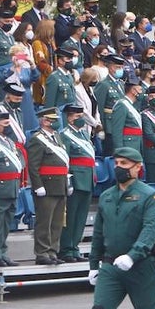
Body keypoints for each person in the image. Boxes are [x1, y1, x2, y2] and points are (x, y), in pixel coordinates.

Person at [75, 148, 155, 309]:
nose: (119, 167)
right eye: (116, 163)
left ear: (138, 167)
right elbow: (99, 233)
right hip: (111, 266)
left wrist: (133, 255)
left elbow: (150, 231)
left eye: (125, 163)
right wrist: (93, 264)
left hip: (141, 267)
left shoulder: (150, 196)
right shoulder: (107, 196)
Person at [26, 107, 72, 265]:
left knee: (57, 222)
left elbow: (63, 163)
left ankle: (52, 251)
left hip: (60, 184)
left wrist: (67, 182)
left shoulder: (56, 137)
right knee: (44, 222)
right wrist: (38, 185)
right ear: (45, 121)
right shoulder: (37, 139)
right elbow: (33, 166)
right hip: (46, 186)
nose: (57, 122)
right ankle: (42, 252)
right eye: (53, 120)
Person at [0, 108, 24, 267]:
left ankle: (3, 252)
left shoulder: (9, 141)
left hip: (11, 188)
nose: (8, 127)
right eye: (5, 123)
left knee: (6, 223)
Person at [57, 104, 95, 262]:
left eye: (81, 116)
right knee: (71, 217)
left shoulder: (84, 134)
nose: (80, 119)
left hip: (87, 179)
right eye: (77, 116)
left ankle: (74, 247)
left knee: (80, 218)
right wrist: (67, 181)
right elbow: (65, 159)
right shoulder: (65, 135)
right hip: (75, 179)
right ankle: (66, 249)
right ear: (69, 118)